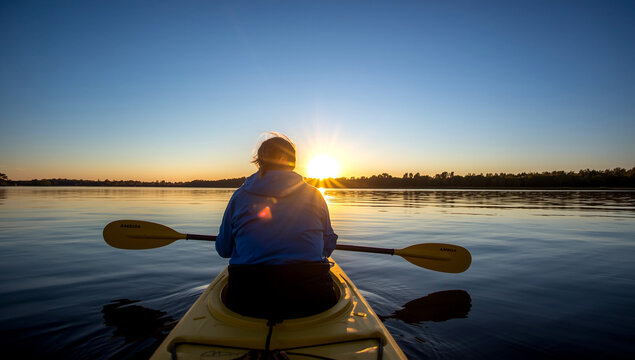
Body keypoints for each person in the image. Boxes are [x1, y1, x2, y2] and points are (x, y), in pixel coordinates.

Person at [216, 133, 338, 320]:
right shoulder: (315, 195)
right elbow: (327, 247)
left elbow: (224, 249)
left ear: (260, 162)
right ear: (292, 162)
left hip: (247, 298)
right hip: (312, 296)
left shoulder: (239, 196)